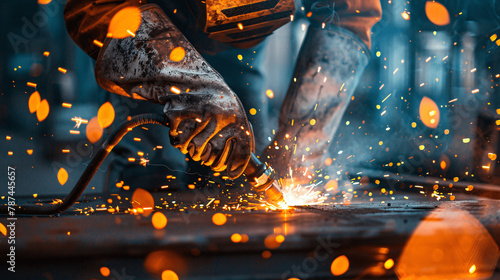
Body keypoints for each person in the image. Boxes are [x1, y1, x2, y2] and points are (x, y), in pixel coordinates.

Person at [63, 0, 381, 190]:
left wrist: (300, 145)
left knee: (248, 178)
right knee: (151, 178)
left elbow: (350, 15)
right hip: (150, 50)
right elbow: (92, 9)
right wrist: (189, 83)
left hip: (242, 65)